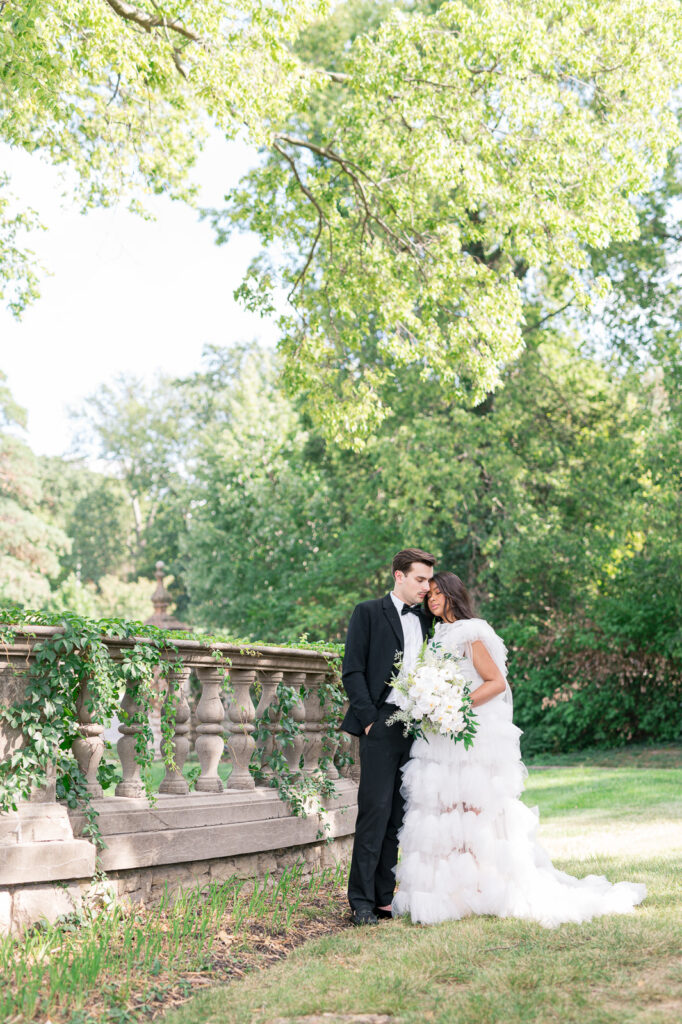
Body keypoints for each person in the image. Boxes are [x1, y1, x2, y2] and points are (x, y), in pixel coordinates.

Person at [392, 571, 647, 927]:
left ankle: (486, 885)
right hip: (441, 735)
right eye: (429, 593)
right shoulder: (436, 636)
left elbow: (497, 682)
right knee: (446, 810)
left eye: (438, 592)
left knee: (475, 810)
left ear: (453, 594)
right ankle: (454, 890)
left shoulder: (471, 632)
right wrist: (433, 703)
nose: (432, 598)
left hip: (467, 731)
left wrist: (455, 705)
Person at [341, 548, 436, 926]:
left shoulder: (430, 620)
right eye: (420, 579)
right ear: (398, 576)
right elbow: (353, 670)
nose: (426, 588)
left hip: (418, 728)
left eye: (429, 580)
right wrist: (368, 722)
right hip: (381, 723)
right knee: (374, 813)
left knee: (399, 816)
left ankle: (384, 897)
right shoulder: (367, 612)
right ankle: (360, 901)